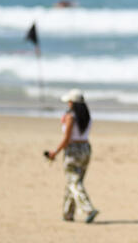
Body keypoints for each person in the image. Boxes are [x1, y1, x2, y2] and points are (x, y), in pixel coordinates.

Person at [46, 89, 98, 223]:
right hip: (85, 148)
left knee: (73, 182)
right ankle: (67, 213)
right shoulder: (87, 117)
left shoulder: (71, 117)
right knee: (74, 181)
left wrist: (55, 152)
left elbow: (67, 138)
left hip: (73, 150)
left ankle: (88, 208)